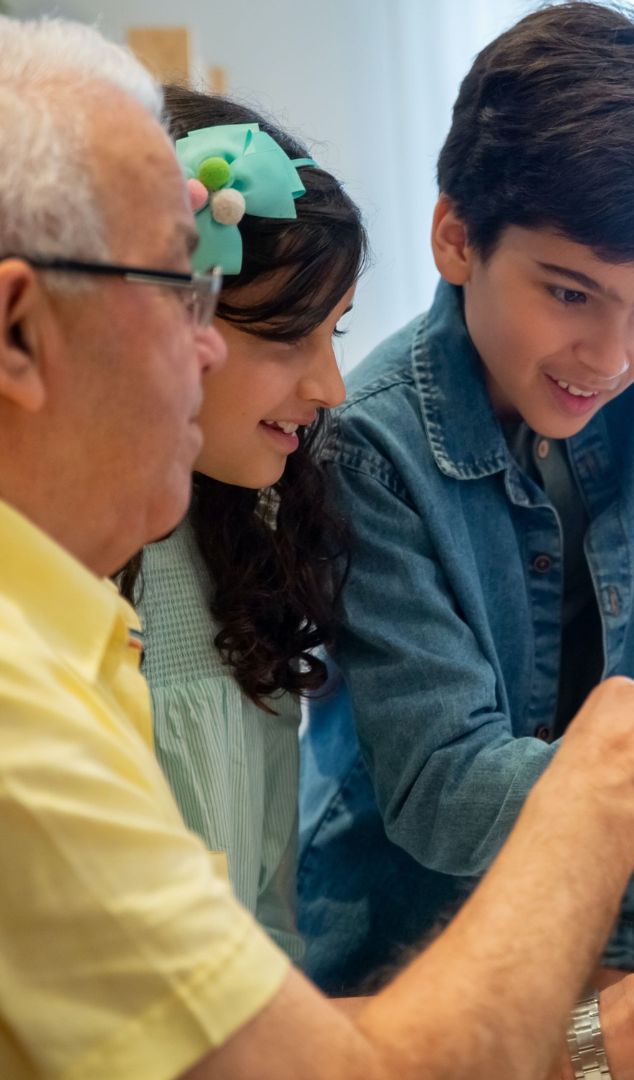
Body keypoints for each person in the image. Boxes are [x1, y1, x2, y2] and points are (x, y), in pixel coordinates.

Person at [0, 15, 634, 1079]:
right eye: (181, 290)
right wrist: (614, 790)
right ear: (19, 330)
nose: (207, 352)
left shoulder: (77, 634)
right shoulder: (27, 724)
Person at [298, 0, 634, 993]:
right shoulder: (368, 447)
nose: (613, 355)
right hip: (415, 962)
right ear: (456, 238)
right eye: (569, 293)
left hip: (617, 935)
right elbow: (445, 793)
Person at [119, 83, 362, 961]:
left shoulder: (245, 547)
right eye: (290, 337)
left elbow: (263, 913)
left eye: (337, 332)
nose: (331, 387)